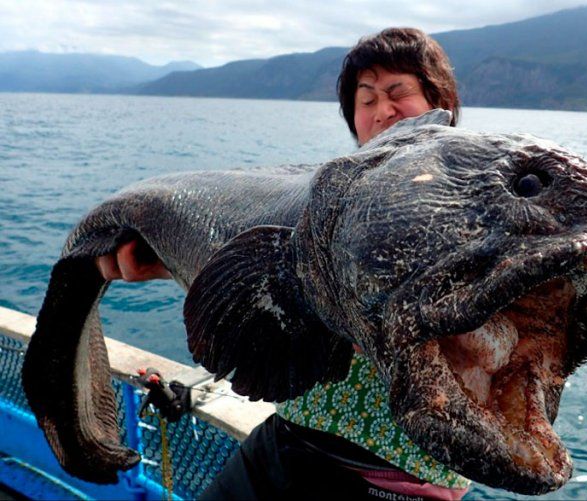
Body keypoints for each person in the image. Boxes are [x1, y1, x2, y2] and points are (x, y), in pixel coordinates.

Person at [97, 27, 464, 500]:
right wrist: (171, 260)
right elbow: (280, 286)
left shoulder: (472, 207)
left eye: (399, 93)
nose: (381, 113)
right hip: (285, 441)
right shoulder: (331, 205)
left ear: (441, 102)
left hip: (394, 482)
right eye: (366, 99)